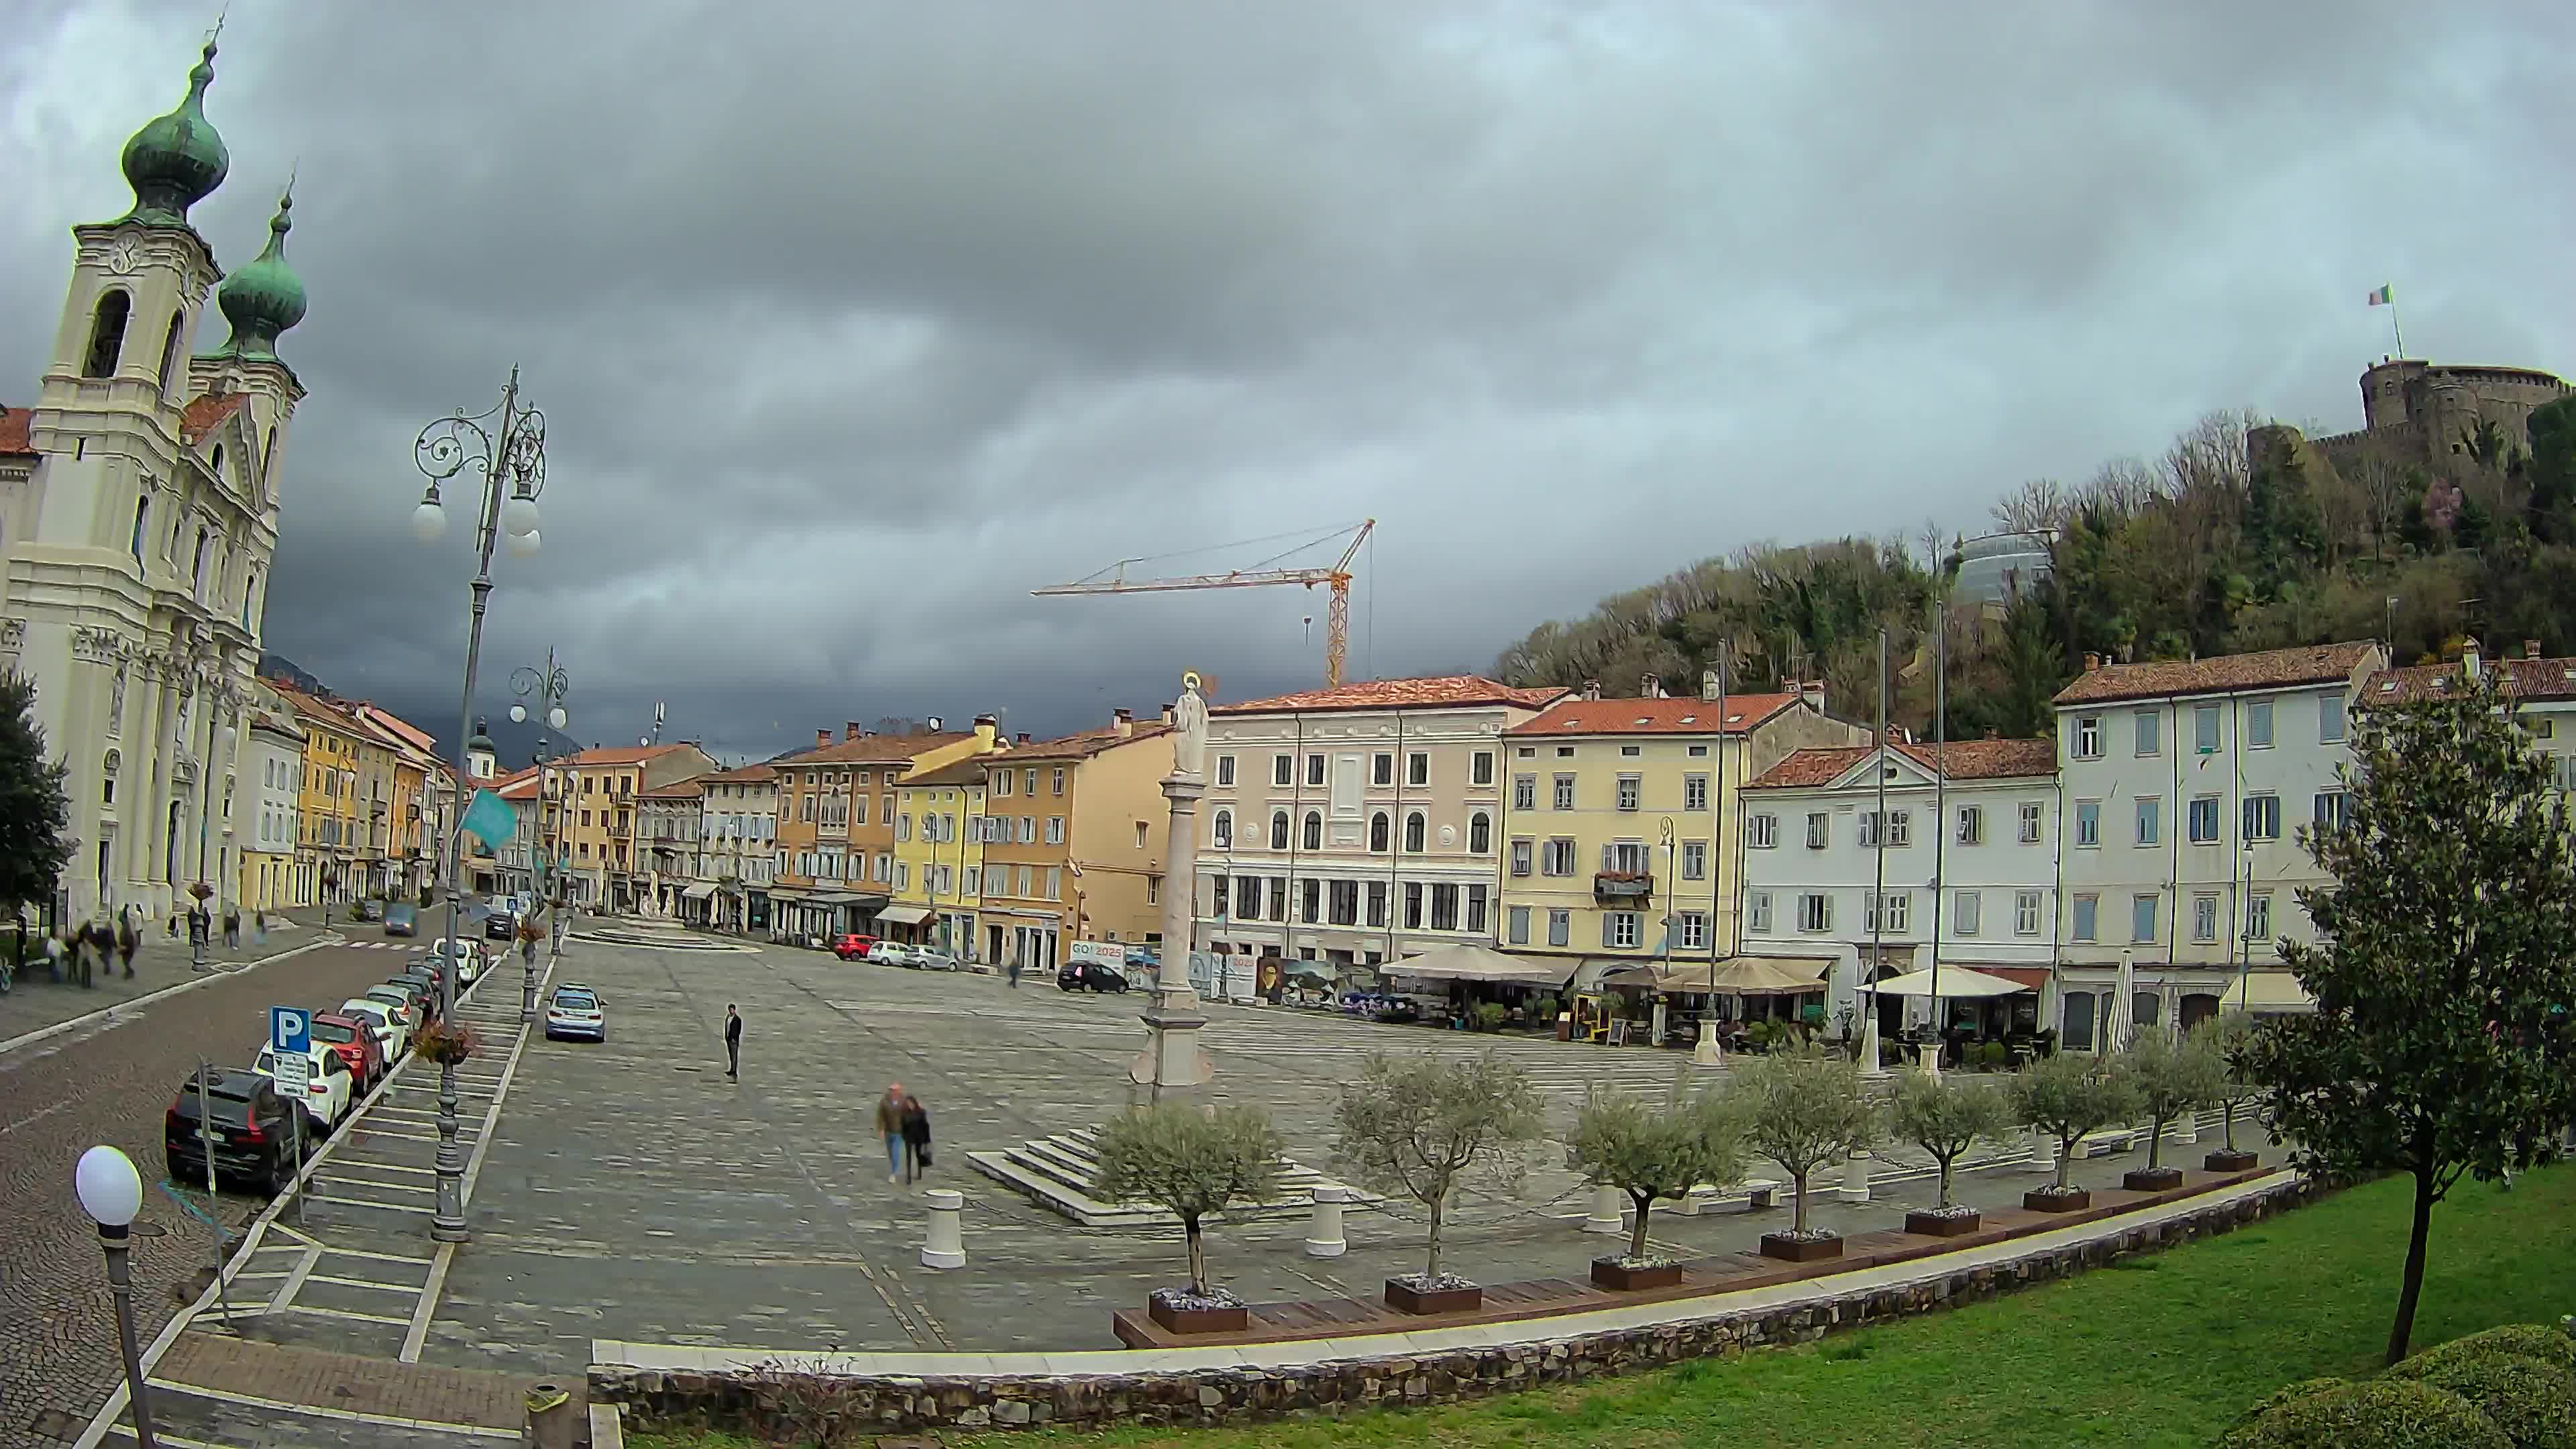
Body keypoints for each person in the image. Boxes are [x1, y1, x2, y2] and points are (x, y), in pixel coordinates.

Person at [875, 1083, 907, 1184]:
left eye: (895, 1090)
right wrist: (881, 1130)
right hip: (888, 1131)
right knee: (890, 1153)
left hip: (899, 1132)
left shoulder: (904, 1101)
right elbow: (880, 1116)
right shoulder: (884, 1101)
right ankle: (894, 1167)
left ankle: (893, 1173)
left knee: (895, 1152)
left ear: (899, 1091)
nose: (893, 1092)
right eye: (891, 1090)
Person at [900, 1093, 933, 1184]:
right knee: (908, 1157)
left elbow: (926, 1126)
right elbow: (902, 1126)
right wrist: (903, 1136)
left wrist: (927, 1140)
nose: (909, 1105)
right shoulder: (904, 1113)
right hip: (909, 1137)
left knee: (919, 1155)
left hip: (919, 1137)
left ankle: (919, 1172)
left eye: (910, 1103)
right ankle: (908, 1176)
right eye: (907, 1104)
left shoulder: (921, 1112)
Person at [723, 1004, 743, 1080]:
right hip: (728, 1039)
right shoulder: (728, 1017)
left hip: (734, 1041)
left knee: (734, 1056)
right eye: (730, 1009)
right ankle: (732, 1069)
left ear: (734, 1010)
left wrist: (734, 1038)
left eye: (732, 1009)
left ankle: (734, 1071)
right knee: (731, 1056)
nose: (731, 1011)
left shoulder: (738, 1019)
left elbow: (739, 1030)